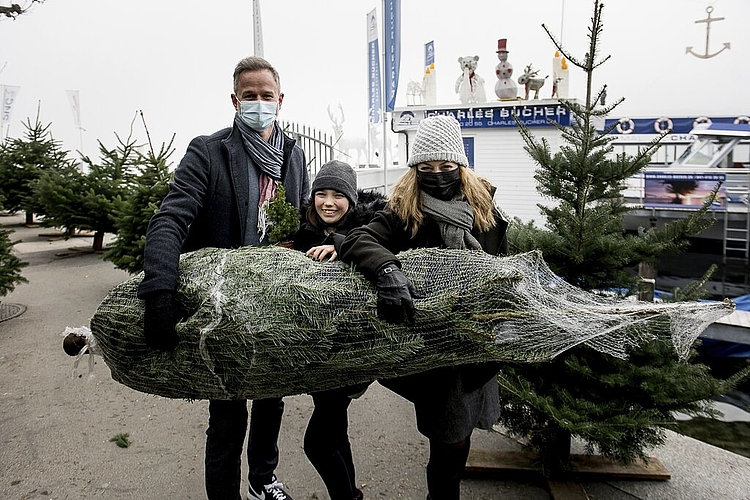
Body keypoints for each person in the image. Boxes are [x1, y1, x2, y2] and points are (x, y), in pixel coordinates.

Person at [137, 55, 308, 500]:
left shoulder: (293, 155)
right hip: (224, 306)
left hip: (276, 301)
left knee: (272, 398)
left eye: (265, 96)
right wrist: (159, 291)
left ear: (280, 100)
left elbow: (306, 221)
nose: (257, 103)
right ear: (234, 100)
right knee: (228, 412)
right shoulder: (209, 152)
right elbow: (170, 219)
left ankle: (262, 479)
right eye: (248, 96)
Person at [339, 114, 509, 500]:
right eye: (427, 168)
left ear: (460, 167)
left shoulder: (486, 211)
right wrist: (387, 269)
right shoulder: (404, 211)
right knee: (447, 449)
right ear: (415, 169)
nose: (437, 175)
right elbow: (357, 240)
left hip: (477, 344)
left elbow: (503, 267)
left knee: (460, 443)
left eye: (446, 167)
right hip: (438, 354)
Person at [293, 160, 384, 500]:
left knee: (316, 444)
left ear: (352, 199)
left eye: (337, 195)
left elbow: (384, 258)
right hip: (319, 352)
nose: (328, 202)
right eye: (321, 194)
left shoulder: (369, 231)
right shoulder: (305, 235)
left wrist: (343, 245)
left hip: (350, 353)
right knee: (336, 433)